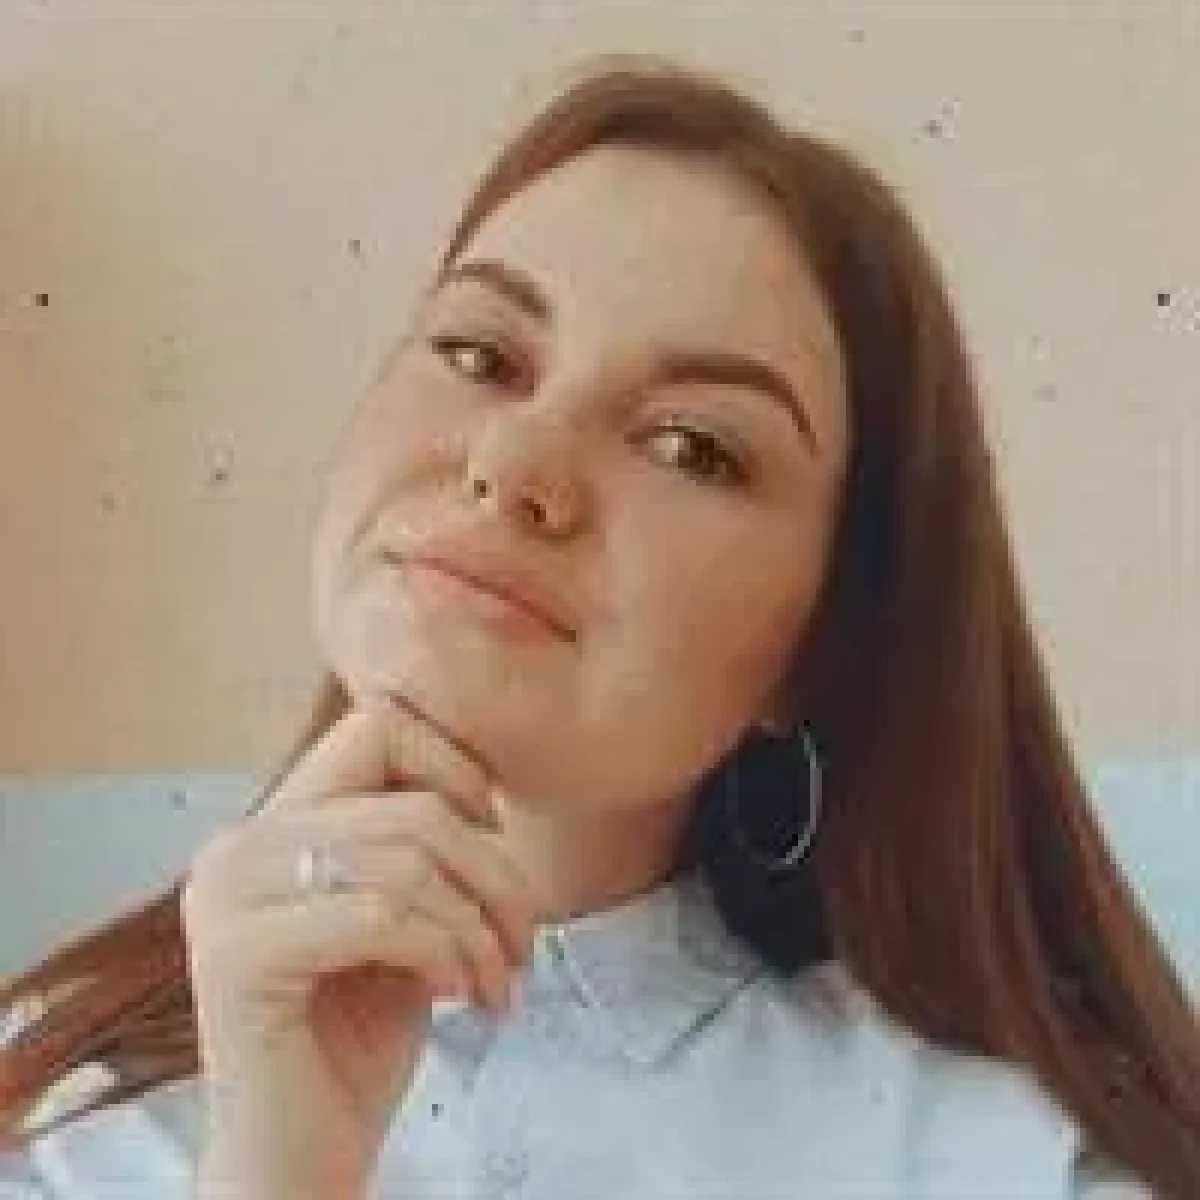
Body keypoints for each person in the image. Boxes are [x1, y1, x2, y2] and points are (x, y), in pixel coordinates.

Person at [1, 52, 1197, 1199]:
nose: (515, 462)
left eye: (690, 446)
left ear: (827, 637)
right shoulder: (57, 1114)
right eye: (478, 353)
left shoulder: (1008, 1163)